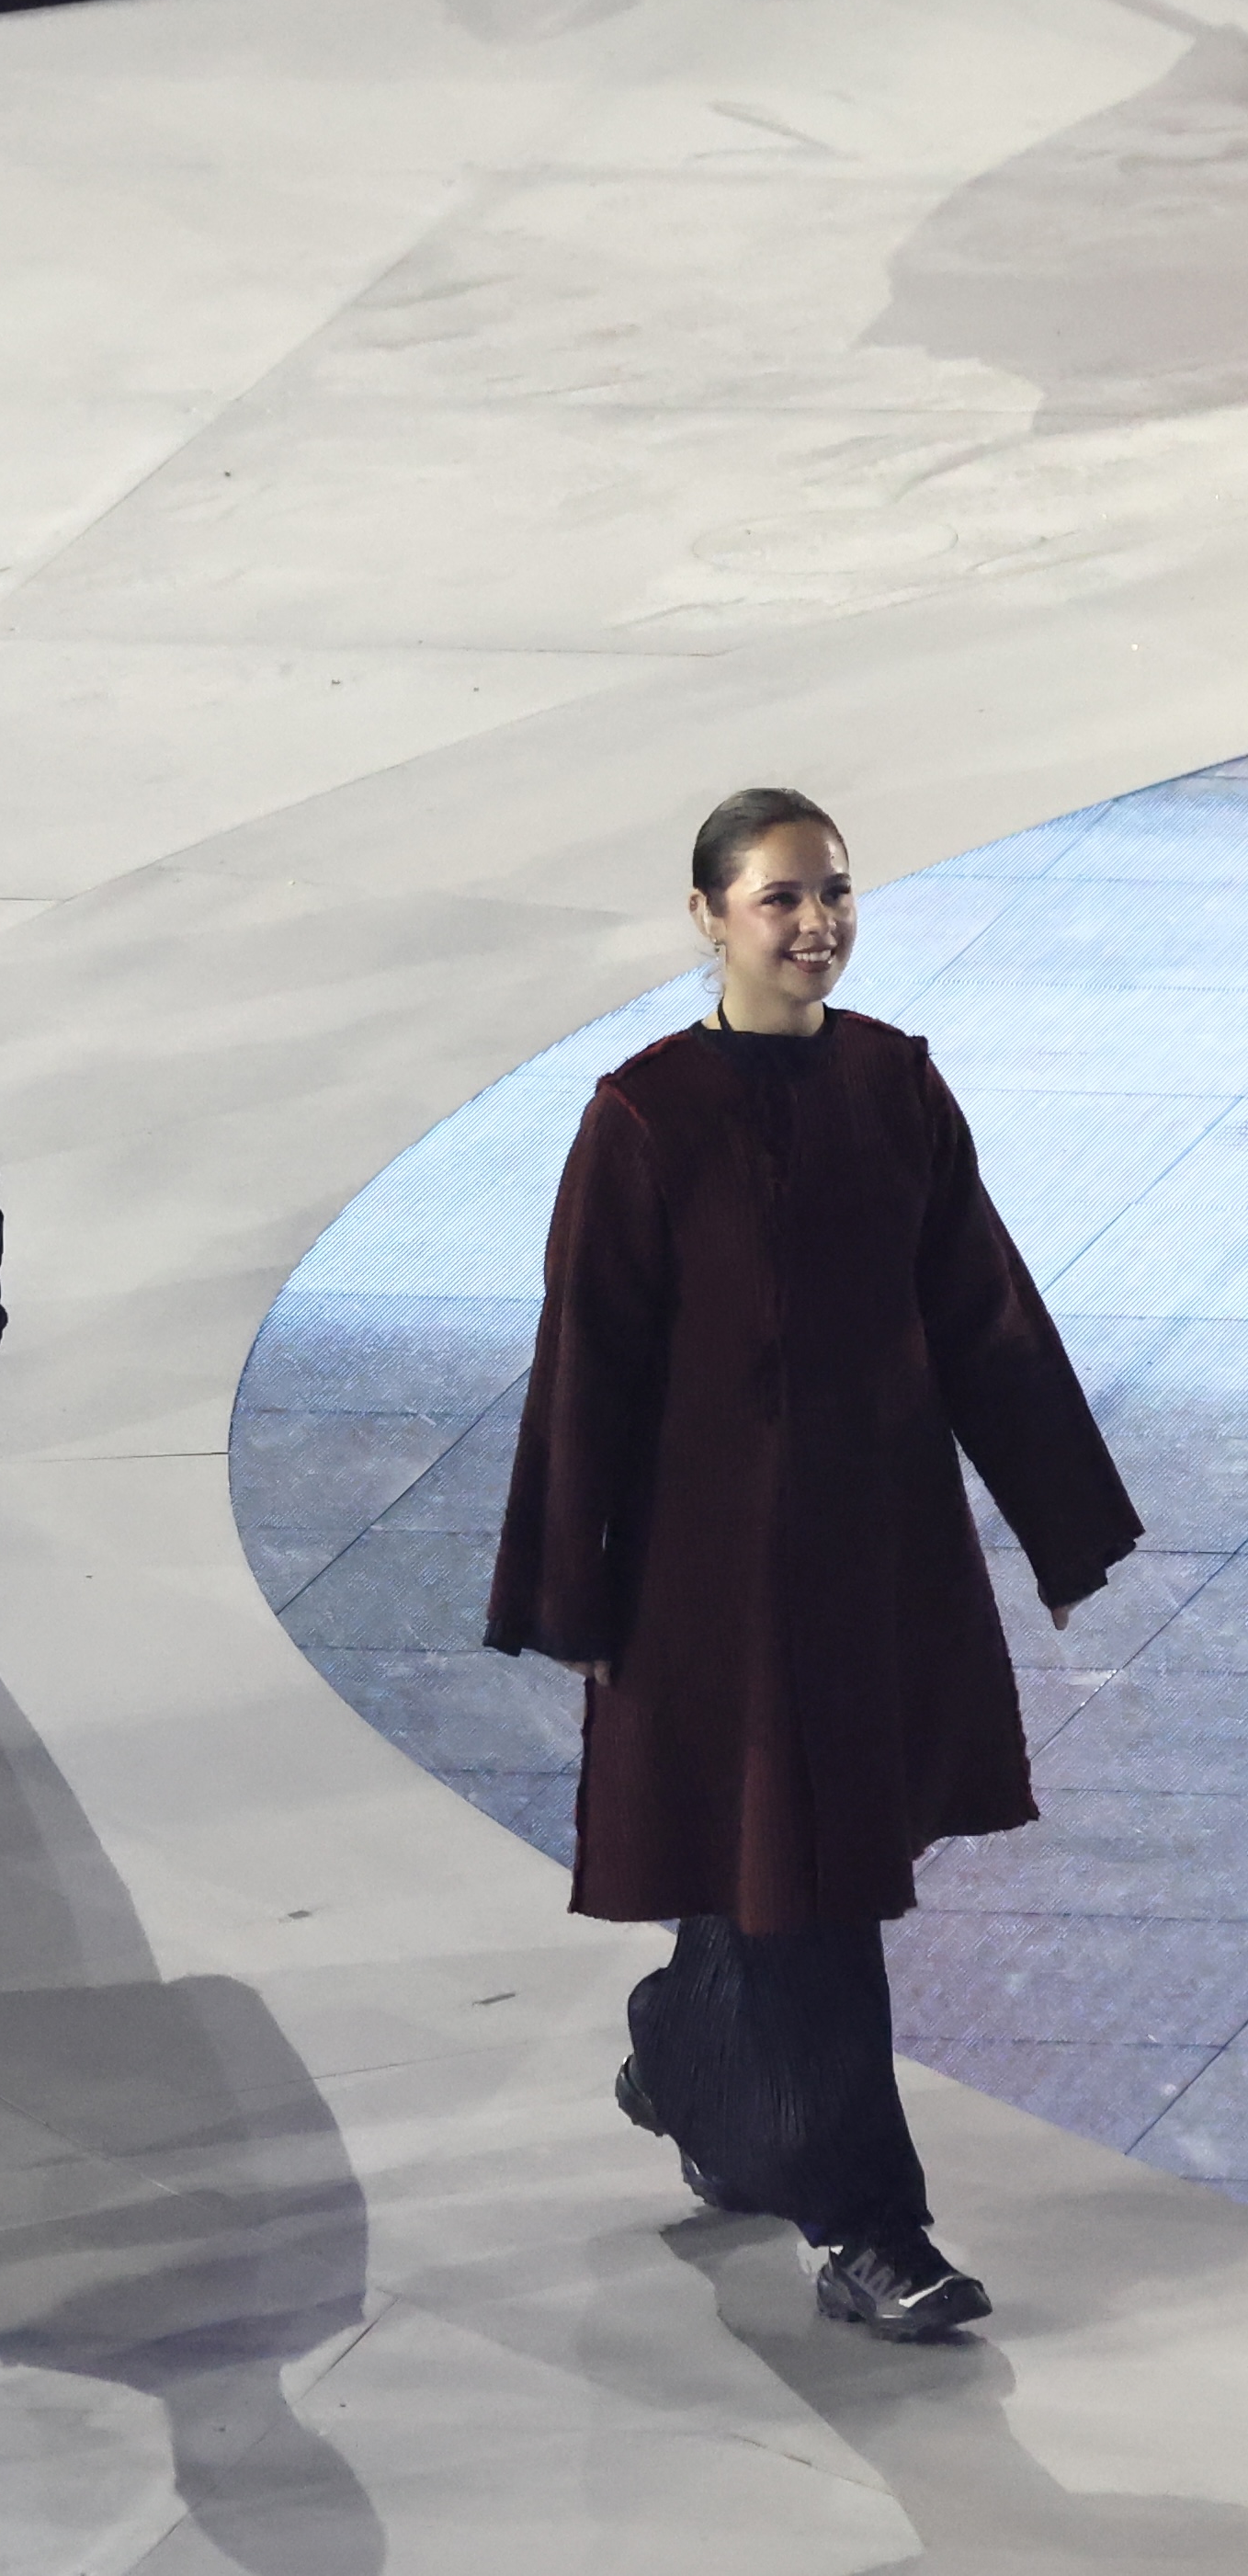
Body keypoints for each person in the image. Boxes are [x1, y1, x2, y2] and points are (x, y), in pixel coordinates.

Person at [487, 787, 1140, 2342]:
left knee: (783, 1860)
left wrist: (1058, 1524)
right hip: (707, 1580)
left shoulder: (891, 1086)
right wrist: (575, 1589)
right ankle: (866, 2225)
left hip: (870, 1558)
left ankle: (690, 2046)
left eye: (830, 892)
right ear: (706, 916)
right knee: (811, 1879)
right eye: (777, 897)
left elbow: (979, 1310)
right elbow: (588, 1357)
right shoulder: (641, 1116)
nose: (812, 923)